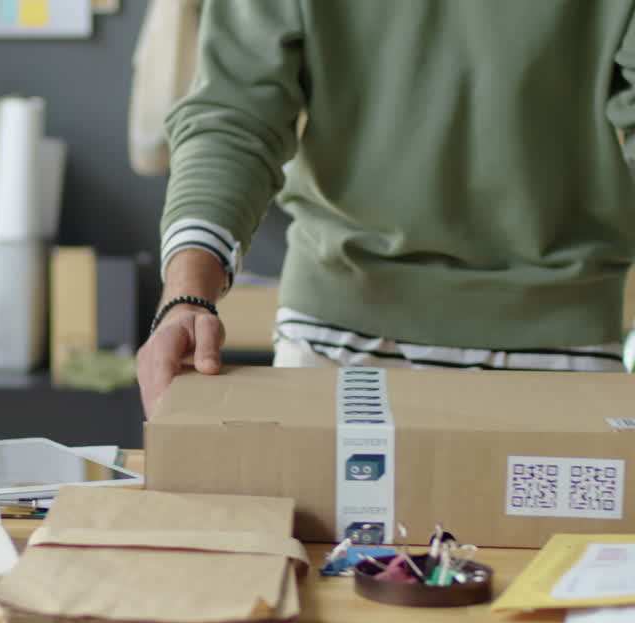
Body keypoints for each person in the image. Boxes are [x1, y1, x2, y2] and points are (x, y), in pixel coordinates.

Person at [138, 0, 635, 416]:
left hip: (561, 343)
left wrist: (188, 295)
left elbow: (235, 114)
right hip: (342, 342)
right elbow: (235, 116)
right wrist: (187, 297)